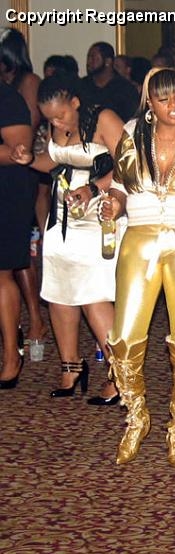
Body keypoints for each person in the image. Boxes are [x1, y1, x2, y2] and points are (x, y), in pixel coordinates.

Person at [101, 68, 175, 465]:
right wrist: (112, 204)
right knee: (124, 338)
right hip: (140, 236)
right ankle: (137, 417)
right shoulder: (132, 133)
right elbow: (119, 186)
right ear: (150, 103)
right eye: (165, 98)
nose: (174, 106)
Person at [14, 74, 124, 401]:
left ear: (75, 102)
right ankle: (70, 366)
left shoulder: (104, 119)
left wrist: (93, 188)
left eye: (61, 115)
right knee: (59, 291)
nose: (56, 123)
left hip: (99, 213)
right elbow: (55, 160)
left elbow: (129, 165)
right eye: (50, 119)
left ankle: (121, 374)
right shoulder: (56, 125)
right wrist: (30, 160)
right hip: (62, 216)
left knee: (93, 293)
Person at [0, 28, 47, 347]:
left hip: (24, 169)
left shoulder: (24, 83)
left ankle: (34, 319)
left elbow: (22, 143)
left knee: (21, 253)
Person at [0, 81, 34, 389]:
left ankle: (12, 355)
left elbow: (19, 152)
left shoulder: (7, 98)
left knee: (1, 274)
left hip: (6, 194)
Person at [80, 42, 140, 123]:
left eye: (93, 57)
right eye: (88, 57)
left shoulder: (125, 89)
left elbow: (133, 121)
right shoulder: (82, 85)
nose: (89, 62)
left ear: (108, 61)